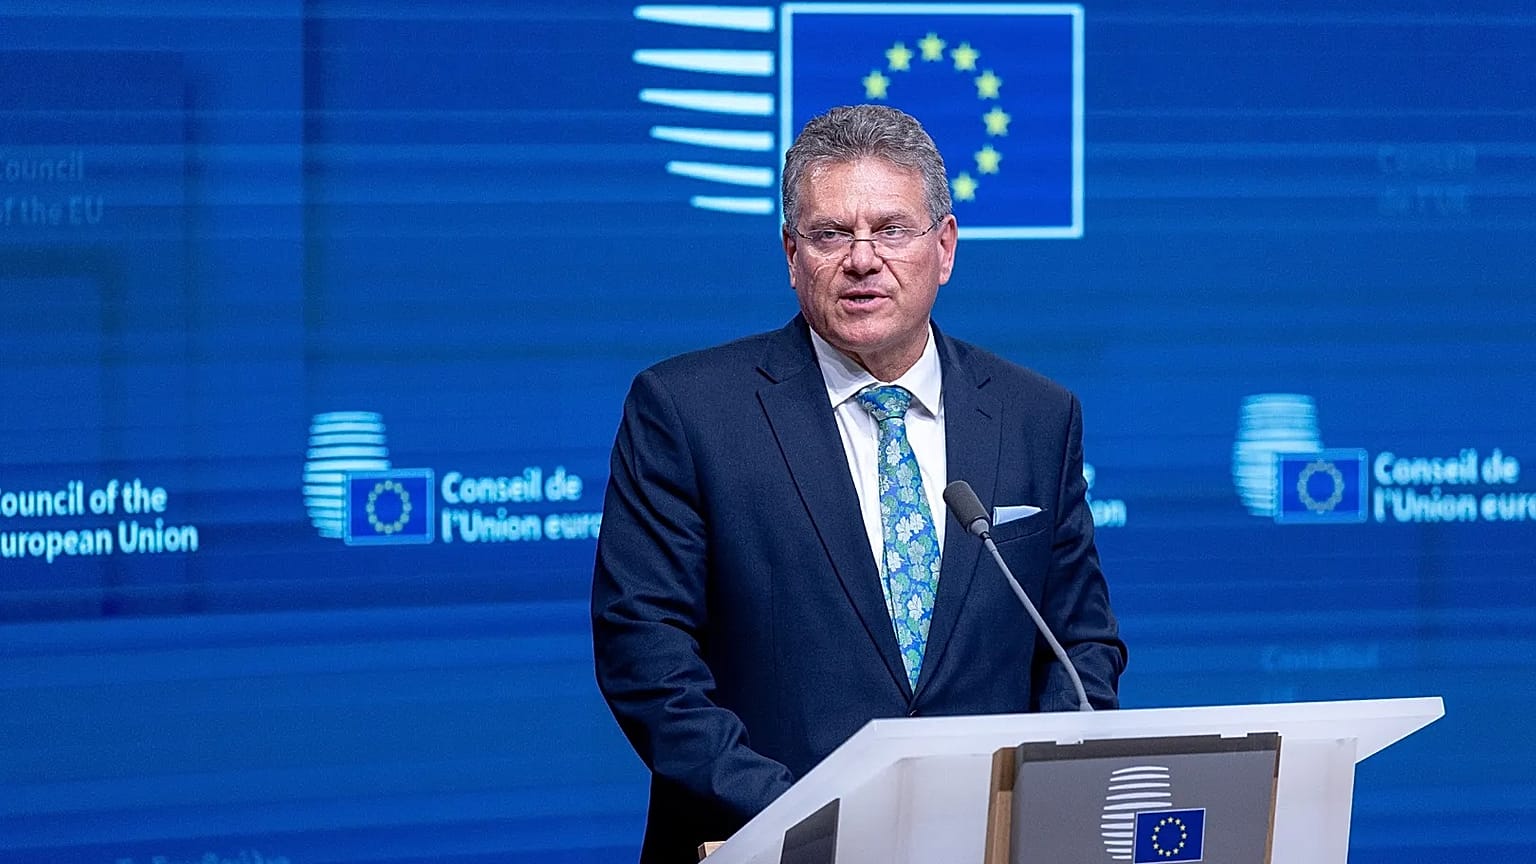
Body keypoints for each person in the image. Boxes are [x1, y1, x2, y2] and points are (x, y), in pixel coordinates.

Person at [591, 104, 1125, 863]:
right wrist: (810, 820)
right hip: (765, 842)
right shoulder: (687, 412)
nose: (862, 258)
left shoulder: (1036, 415)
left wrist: (1034, 803)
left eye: (891, 229)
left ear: (944, 247)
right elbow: (646, 657)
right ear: (790, 254)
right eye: (831, 234)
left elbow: (1082, 645)